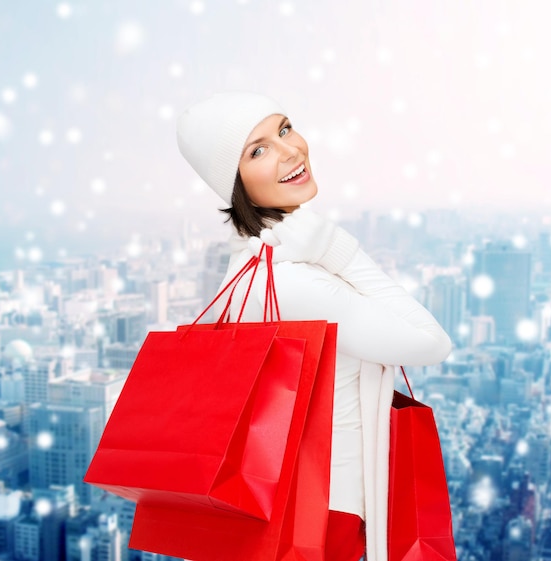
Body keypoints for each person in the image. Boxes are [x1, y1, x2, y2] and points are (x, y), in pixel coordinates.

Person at [176, 92, 452, 561]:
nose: (290, 151)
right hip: (325, 512)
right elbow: (432, 342)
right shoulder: (293, 279)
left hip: (281, 505)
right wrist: (337, 248)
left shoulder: (250, 266)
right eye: (257, 150)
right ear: (233, 182)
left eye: (284, 129)